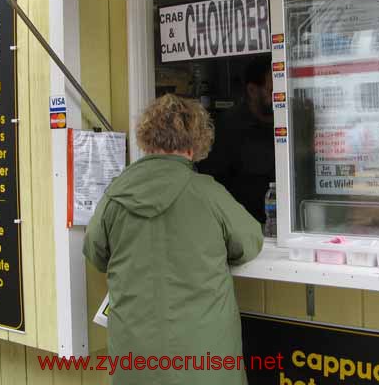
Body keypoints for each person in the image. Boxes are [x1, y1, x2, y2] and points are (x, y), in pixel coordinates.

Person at [83, 94, 263, 385]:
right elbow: (248, 243)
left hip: (136, 353)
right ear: (195, 143)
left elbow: (95, 252)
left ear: (146, 139)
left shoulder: (115, 196)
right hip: (204, 356)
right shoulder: (209, 194)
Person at [199, 56, 275, 223]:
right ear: (252, 91)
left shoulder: (290, 124)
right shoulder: (227, 129)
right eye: (272, 91)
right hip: (244, 229)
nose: (282, 97)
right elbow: (211, 186)